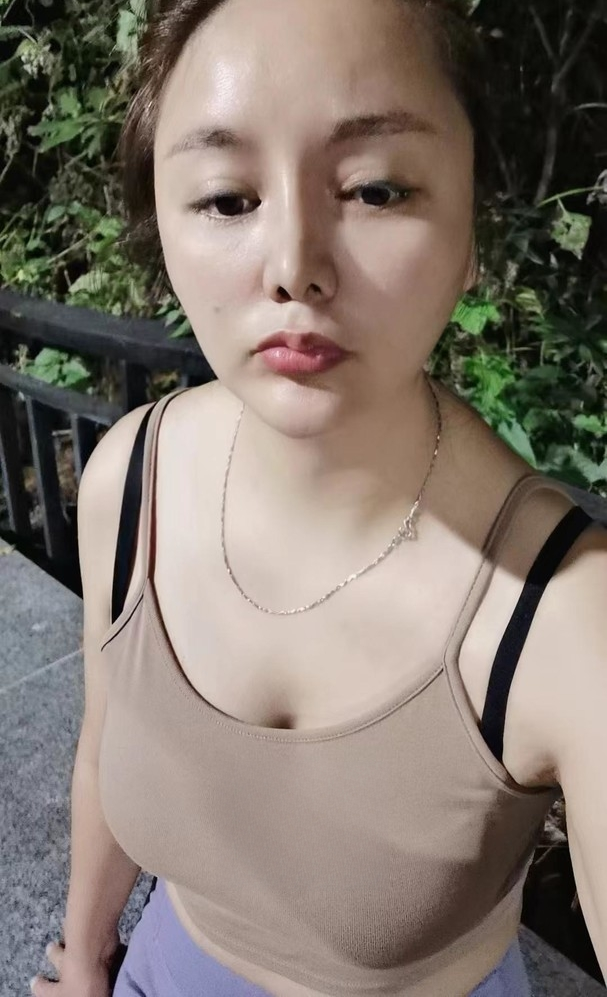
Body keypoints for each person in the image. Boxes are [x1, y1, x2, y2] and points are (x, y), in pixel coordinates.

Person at [30, 0, 607, 995]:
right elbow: (101, 752)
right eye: (226, 199)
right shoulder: (132, 482)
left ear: (471, 229)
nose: (294, 267)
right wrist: (84, 960)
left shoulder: (562, 615)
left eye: (376, 189)